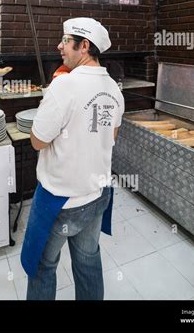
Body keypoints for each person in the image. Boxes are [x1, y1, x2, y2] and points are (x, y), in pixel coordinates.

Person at [20, 17, 125, 300]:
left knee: (42, 266)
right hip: (97, 194)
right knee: (88, 262)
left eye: (66, 41)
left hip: (60, 201)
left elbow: (37, 140)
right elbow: (109, 137)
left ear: (85, 46)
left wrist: (48, 106)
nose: (59, 46)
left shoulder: (63, 86)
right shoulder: (115, 89)